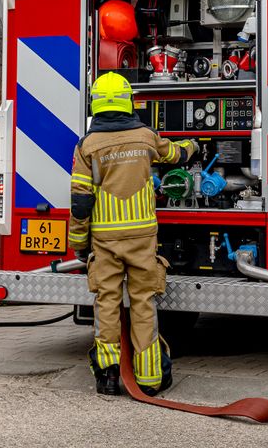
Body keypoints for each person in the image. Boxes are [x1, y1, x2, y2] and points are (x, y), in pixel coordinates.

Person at [68, 72, 197, 396]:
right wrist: (193, 145)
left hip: (106, 242)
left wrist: (79, 244)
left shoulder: (87, 146)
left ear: (95, 103)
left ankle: (108, 377)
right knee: (143, 304)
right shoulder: (145, 136)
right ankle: (152, 379)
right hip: (142, 239)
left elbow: (81, 202)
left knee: (107, 304)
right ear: (128, 102)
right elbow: (174, 155)